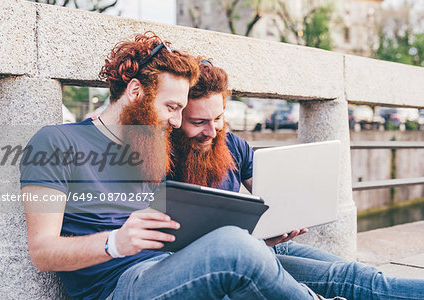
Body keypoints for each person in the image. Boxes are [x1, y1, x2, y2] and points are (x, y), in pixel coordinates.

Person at [21, 32, 339, 300]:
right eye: (171, 107)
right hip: (119, 286)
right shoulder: (55, 143)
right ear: (135, 91)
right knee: (235, 247)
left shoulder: (150, 147)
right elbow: (42, 252)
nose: (176, 121)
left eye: (181, 109)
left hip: (172, 268)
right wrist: (114, 242)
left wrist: (257, 241)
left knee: (267, 254)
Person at [169, 59, 424, 300]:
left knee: (357, 275)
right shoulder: (162, 157)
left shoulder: (232, 145)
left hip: (267, 244)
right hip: (230, 261)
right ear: (177, 116)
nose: (212, 132)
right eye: (199, 122)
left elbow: (271, 189)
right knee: (336, 282)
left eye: (218, 119)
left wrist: (289, 213)